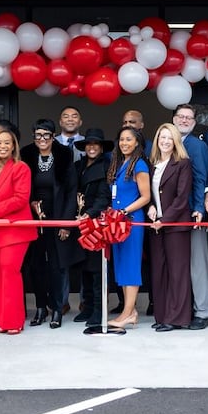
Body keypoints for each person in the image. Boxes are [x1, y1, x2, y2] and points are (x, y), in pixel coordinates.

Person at [20, 118, 79, 328]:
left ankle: (56, 309)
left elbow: (72, 191)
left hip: (58, 215)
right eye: (38, 135)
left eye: (46, 135)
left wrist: (65, 223)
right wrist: (31, 203)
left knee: (57, 266)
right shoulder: (26, 154)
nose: (42, 139)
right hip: (34, 217)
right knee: (36, 265)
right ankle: (40, 307)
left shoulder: (64, 155)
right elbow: (21, 187)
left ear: (53, 137)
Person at [0, 123, 36, 334]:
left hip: (14, 231)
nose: (2, 146)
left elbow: (20, 199)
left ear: (13, 146)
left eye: (7, 143)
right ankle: (3, 320)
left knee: (10, 273)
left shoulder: (21, 168)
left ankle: (14, 321)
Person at [147, 124, 193, 332]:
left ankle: (178, 318)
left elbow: (182, 198)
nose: (165, 141)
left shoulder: (182, 163)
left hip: (175, 225)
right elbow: (149, 194)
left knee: (177, 272)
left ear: (175, 141)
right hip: (156, 226)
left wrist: (164, 219)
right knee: (159, 272)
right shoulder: (153, 163)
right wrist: (150, 208)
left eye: (169, 138)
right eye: (161, 137)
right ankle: (163, 315)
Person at [172, 104, 208, 329]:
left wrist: (198, 207)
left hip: (191, 213)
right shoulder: (167, 143)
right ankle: (183, 310)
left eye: (189, 118)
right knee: (179, 265)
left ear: (194, 123)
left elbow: (200, 178)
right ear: (174, 119)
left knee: (197, 263)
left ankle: (203, 311)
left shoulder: (196, 145)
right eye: (181, 117)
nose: (185, 120)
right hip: (171, 215)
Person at [107, 125, 151, 329]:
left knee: (131, 266)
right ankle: (130, 311)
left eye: (129, 140)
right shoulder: (119, 163)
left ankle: (126, 313)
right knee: (121, 266)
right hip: (117, 222)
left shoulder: (139, 165)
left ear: (137, 143)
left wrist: (124, 211)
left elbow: (145, 197)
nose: (124, 143)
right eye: (121, 139)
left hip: (131, 222)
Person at [72, 128, 113, 326]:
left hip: (96, 223)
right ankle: (87, 308)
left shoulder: (106, 166)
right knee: (83, 268)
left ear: (101, 147)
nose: (92, 147)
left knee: (97, 270)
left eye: (96, 144)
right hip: (79, 222)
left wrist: (90, 213)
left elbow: (104, 196)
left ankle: (98, 310)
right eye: (89, 144)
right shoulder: (78, 165)